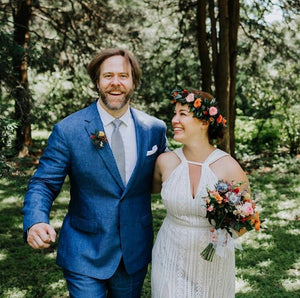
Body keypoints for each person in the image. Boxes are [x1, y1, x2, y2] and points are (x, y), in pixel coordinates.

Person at [22, 48, 168, 297]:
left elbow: (171, 178)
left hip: (134, 251)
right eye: (108, 76)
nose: (115, 83)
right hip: (84, 250)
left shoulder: (154, 129)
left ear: (133, 81)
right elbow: (44, 182)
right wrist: (36, 220)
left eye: (123, 75)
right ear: (97, 82)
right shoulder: (69, 130)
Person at [151, 86, 249, 297]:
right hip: (169, 254)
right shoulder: (164, 162)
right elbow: (144, 192)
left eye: (183, 114)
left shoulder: (229, 167)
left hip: (212, 262)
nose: (174, 119)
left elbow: (244, 224)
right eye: (174, 113)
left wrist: (227, 219)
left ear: (204, 122)